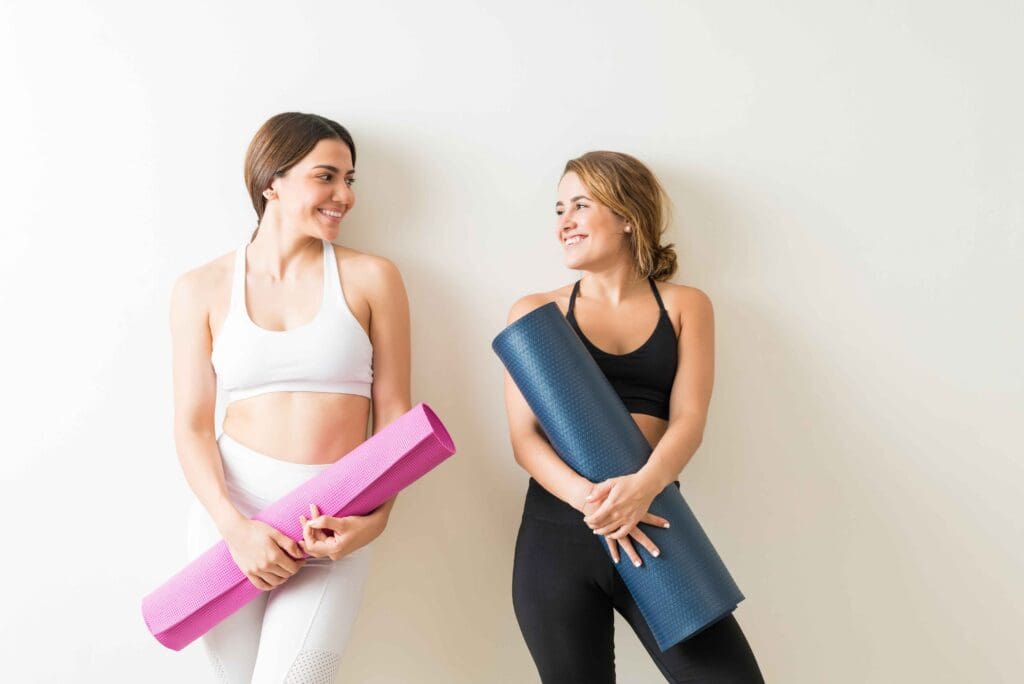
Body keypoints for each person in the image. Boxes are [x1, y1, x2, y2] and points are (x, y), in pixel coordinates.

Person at [503, 151, 764, 682]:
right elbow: (524, 440)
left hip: (655, 522)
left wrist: (641, 490)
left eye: (581, 204)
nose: (565, 223)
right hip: (559, 535)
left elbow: (689, 418)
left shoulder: (687, 305)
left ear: (627, 216)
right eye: (559, 210)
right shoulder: (535, 312)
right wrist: (594, 503)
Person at [169, 112, 411, 682]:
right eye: (326, 176)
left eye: (350, 179)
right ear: (270, 182)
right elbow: (192, 426)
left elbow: (398, 416)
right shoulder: (199, 288)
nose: (344, 195)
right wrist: (234, 528)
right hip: (231, 515)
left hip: (332, 520)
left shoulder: (374, 277)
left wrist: (375, 519)